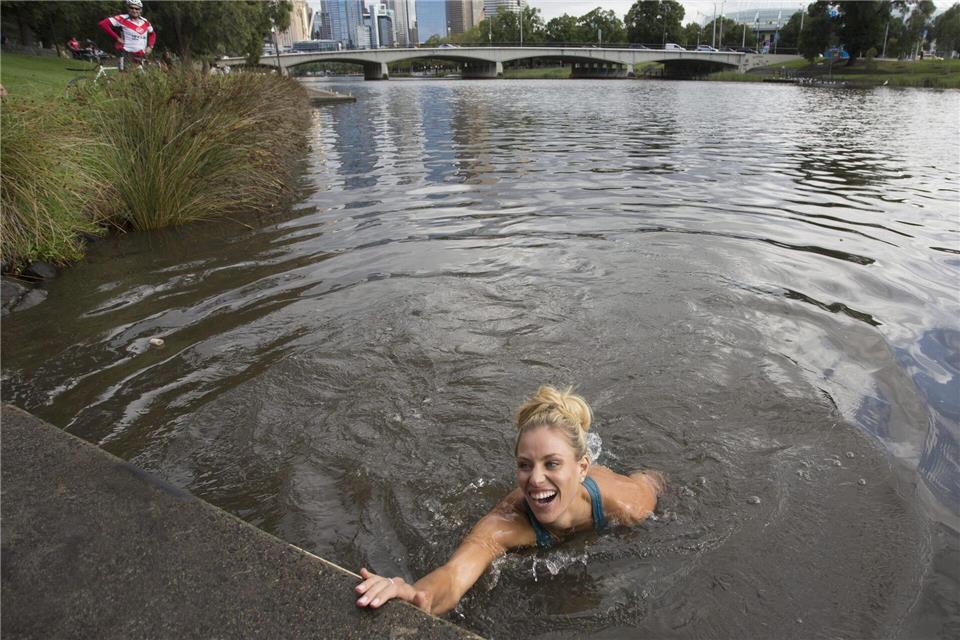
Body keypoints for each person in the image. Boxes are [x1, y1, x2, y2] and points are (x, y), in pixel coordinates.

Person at [354, 385, 664, 616]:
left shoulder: (626, 503)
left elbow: (657, 481)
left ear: (582, 467)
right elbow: (454, 576)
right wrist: (415, 594)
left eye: (552, 464)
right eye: (525, 465)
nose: (535, 479)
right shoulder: (504, 524)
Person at [98, 0, 155, 71]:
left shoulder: (145, 21)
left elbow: (152, 34)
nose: (134, 10)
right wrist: (117, 38)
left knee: (143, 78)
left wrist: (150, 46)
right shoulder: (122, 18)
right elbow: (103, 24)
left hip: (142, 54)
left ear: (140, 10)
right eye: (132, 8)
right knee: (127, 77)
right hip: (127, 53)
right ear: (128, 8)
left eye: (137, 8)